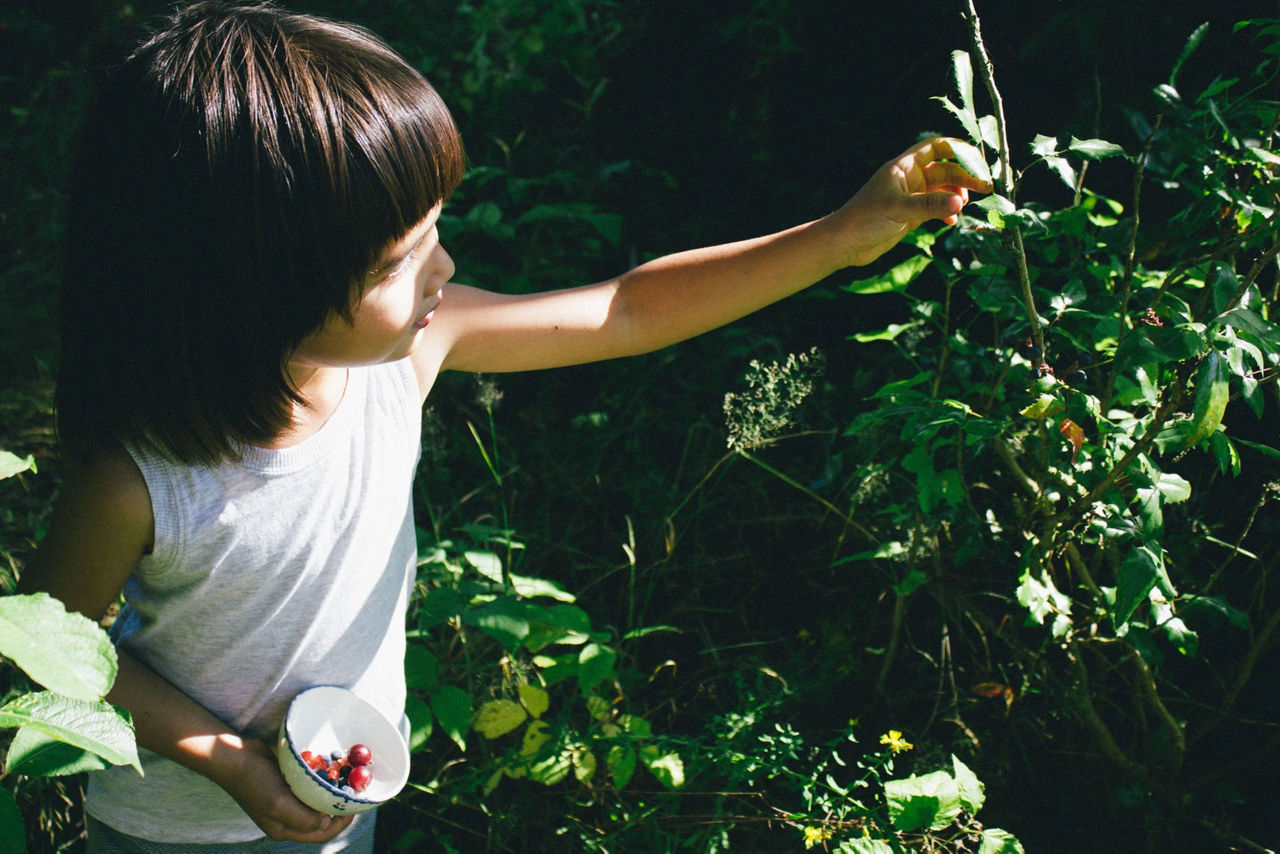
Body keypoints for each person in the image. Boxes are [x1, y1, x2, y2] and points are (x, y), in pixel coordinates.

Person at [16, 0, 990, 850]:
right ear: (260, 289)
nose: (442, 270)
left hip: (334, 799)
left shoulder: (403, 353)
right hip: (182, 832)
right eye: (402, 258)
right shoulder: (144, 481)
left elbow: (626, 310)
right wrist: (229, 762)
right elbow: (41, 653)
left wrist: (835, 236)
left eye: (435, 227)